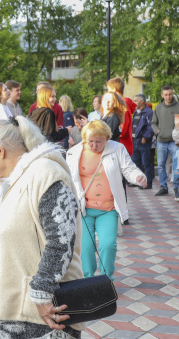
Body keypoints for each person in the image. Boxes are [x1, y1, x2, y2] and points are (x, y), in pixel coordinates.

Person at [0, 117, 84, 338]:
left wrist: (41, 295)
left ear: (0, 151)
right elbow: (18, 242)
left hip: (41, 317)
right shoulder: (14, 182)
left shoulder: (46, 173)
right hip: (8, 312)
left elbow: (61, 241)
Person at [67, 120, 146, 280]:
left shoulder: (117, 149)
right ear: (85, 138)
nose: (94, 145)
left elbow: (128, 168)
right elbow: (68, 178)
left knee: (108, 245)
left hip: (108, 209)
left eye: (99, 142)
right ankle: (88, 279)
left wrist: (138, 176)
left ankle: (105, 279)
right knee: (86, 247)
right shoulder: (74, 152)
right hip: (84, 209)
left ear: (107, 138)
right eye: (91, 141)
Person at [152, 86, 179, 196]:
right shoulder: (158, 108)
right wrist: (157, 131)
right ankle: (163, 186)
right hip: (161, 140)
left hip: (174, 141)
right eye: (166, 95)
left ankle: (177, 187)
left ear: (173, 94)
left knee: (176, 164)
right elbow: (153, 123)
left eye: (170, 94)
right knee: (161, 164)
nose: (168, 97)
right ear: (162, 95)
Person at [106, 77, 137, 157]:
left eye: (109, 89)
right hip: (120, 146)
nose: (108, 92)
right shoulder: (121, 103)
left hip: (121, 146)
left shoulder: (122, 104)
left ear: (114, 89)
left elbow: (122, 129)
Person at [130, 94, 155, 189]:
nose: (134, 102)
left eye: (136, 100)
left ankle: (148, 183)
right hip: (135, 141)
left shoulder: (149, 112)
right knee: (136, 162)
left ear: (142, 101)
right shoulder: (136, 112)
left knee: (146, 162)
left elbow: (151, 126)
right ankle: (138, 182)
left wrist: (145, 137)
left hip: (143, 141)